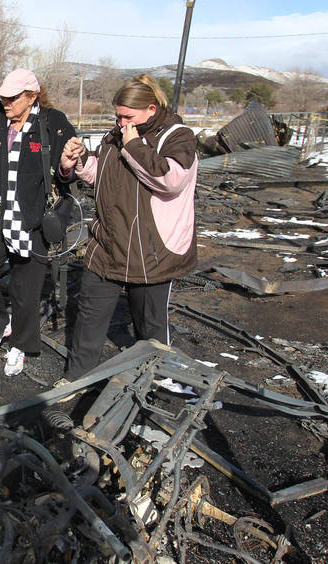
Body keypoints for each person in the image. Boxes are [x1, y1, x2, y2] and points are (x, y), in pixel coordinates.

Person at [60, 73, 198, 381]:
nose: (121, 122)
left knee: (149, 326)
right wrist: (78, 161)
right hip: (107, 242)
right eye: (117, 116)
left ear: (151, 109)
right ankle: (76, 379)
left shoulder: (177, 137)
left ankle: (153, 378)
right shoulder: (117, 134)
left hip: (149, 249)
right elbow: (101, 174)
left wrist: (133, 144)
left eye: (127, 116)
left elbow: (170, 180)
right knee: (89, 318)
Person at [0, 68, 76, 377]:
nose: (5, 102)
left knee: (25, 290)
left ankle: (21, 344)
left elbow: (67, 172)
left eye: (13, 97)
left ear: (32, 96)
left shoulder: (52, 124)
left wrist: (70, 162)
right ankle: (0, 325)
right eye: (3, 96)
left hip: (34, 217)